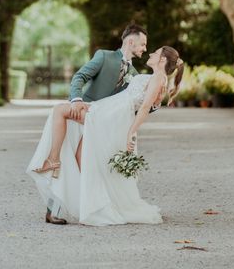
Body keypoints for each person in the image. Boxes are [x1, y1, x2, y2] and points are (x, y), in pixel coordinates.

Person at [27, 45, 184, 226]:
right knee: (80, 158)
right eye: (144, 45)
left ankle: (54, 162)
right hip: (106, 109)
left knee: (61, 111)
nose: (149, 52)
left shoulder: (158, 78)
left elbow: (144, 108)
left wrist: (131, 133)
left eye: (155, 53)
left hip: (111, 117)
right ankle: (86, 201)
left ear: (163, 60)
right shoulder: (153, 77)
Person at [30, 23, 148, 224]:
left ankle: (92, 206)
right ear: (131, 41)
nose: (145, 48)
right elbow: (80, 77)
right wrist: (76, 100)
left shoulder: (135, 75)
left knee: (84, 162)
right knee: (68, 152)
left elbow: (136, 104)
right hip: (84, 112)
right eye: (143, 44)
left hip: (105, 123)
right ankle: (53, 208)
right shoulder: (104, 56)